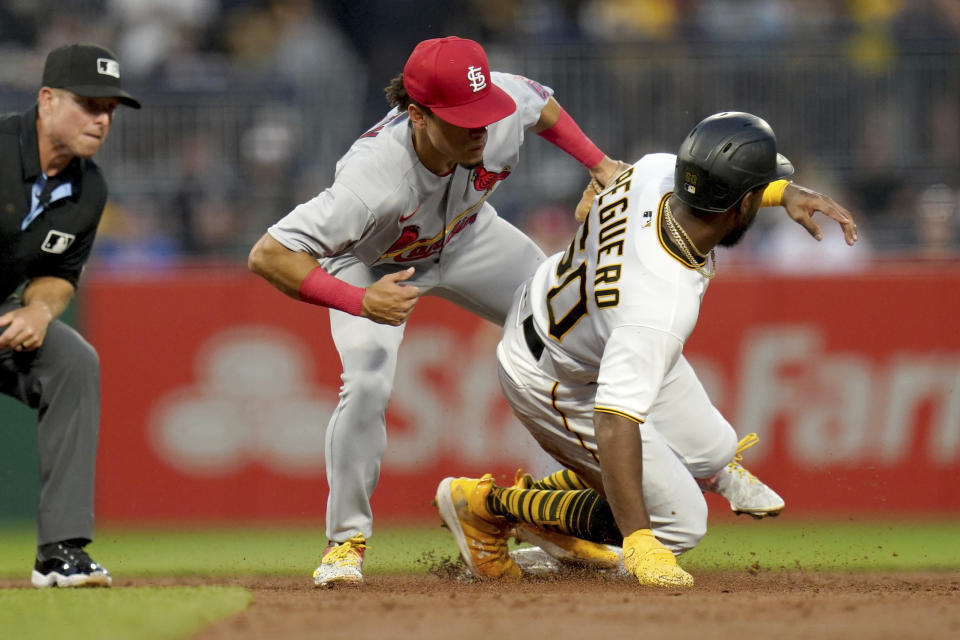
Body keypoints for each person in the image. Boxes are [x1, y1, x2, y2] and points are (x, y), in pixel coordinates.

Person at [248, 35, 642, 587]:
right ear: (417, 116)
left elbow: (537, 104)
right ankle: (345, 544)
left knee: (572, 336)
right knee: (366, 385)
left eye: (484, 113)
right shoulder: (371, 183)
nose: (481, 127)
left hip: (467, 237)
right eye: (463, 119)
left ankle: (556, 522)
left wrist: (598, 163)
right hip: (370, 265)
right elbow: (268, 254)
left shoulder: (494, 107)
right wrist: (360, 300)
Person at [434, 112, 858, 587]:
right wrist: (637, 537)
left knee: (714, 452)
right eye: (760, 195)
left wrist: (784, 193)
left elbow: (707, 188)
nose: (764, 201)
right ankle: (490, 507)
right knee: (678, 522)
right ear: (739, 208)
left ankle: (572, 508)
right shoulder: (661, 301)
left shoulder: (656, 168)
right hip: (555, 374)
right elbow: (613, 419)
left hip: (580, 318)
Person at [0, 43, 141, 588]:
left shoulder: (89, 188)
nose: (101, 119)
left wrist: (38, 308)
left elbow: (60, 275)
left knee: (71, 361)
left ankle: (60, 551)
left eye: (109, 108)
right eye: (88, 103)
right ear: (47, 100)